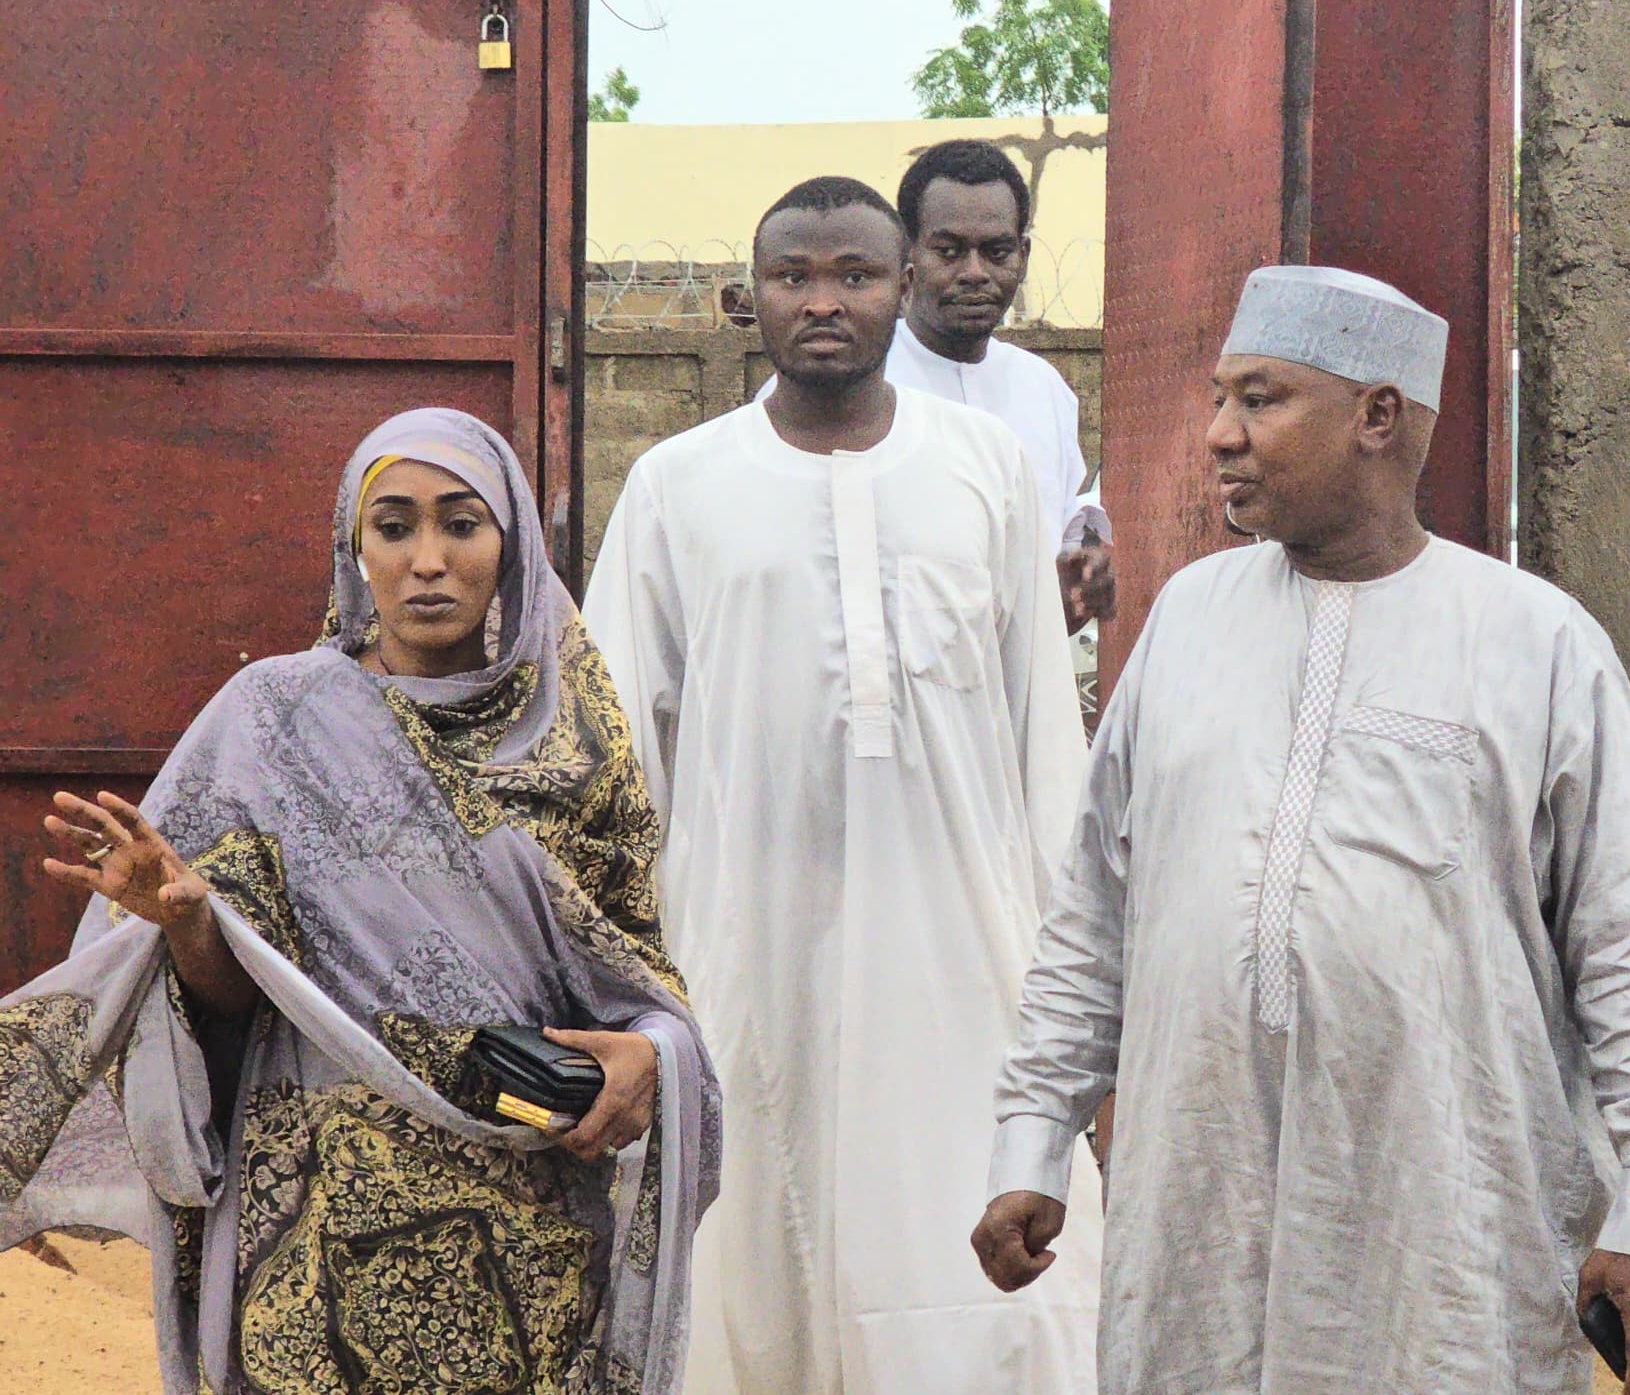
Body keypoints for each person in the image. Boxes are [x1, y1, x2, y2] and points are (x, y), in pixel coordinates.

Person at [973, 266, 1630, 1395]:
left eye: (1260, 399)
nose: (1220, 434)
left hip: (1449, 1218)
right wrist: (1033, 1139)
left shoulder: (1535, 642)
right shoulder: (1186, 621)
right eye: (1219, 398)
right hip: (1198, 1204)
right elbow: (1095, 918)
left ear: (1377, 417)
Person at [0, 410, 719, 1394]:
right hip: (315, 1234)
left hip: (530, 1250)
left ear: (511, 546)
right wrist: (186, 922)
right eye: (394, 526)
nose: (427, 559)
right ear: (354, 548)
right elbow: (226, 1012)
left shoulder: (578, 745)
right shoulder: (272, 726)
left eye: (461, 525)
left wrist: (651, 1055)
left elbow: (639, 976)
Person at [585, 176, 1101, 1395]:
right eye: (794, 277)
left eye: (856, 276)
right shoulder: (676, 484)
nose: (825, 302)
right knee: (746, 1248)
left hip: (965, 950)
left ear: (902, 287)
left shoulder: (985, 467)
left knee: (974, 1259)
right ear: (745, 299)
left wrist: (1074, 972)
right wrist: (626, 968)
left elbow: (1042, 736)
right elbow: (616, 749)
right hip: (740, 945)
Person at [758, 139, 1115, 630]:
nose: (974, 273)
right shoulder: (839, 384)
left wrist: (1081, 572)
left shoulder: (1044, 389)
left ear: (1024, 255)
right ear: (908, 257)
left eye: (996, 252)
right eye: (948, 251)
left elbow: (1059, 543)